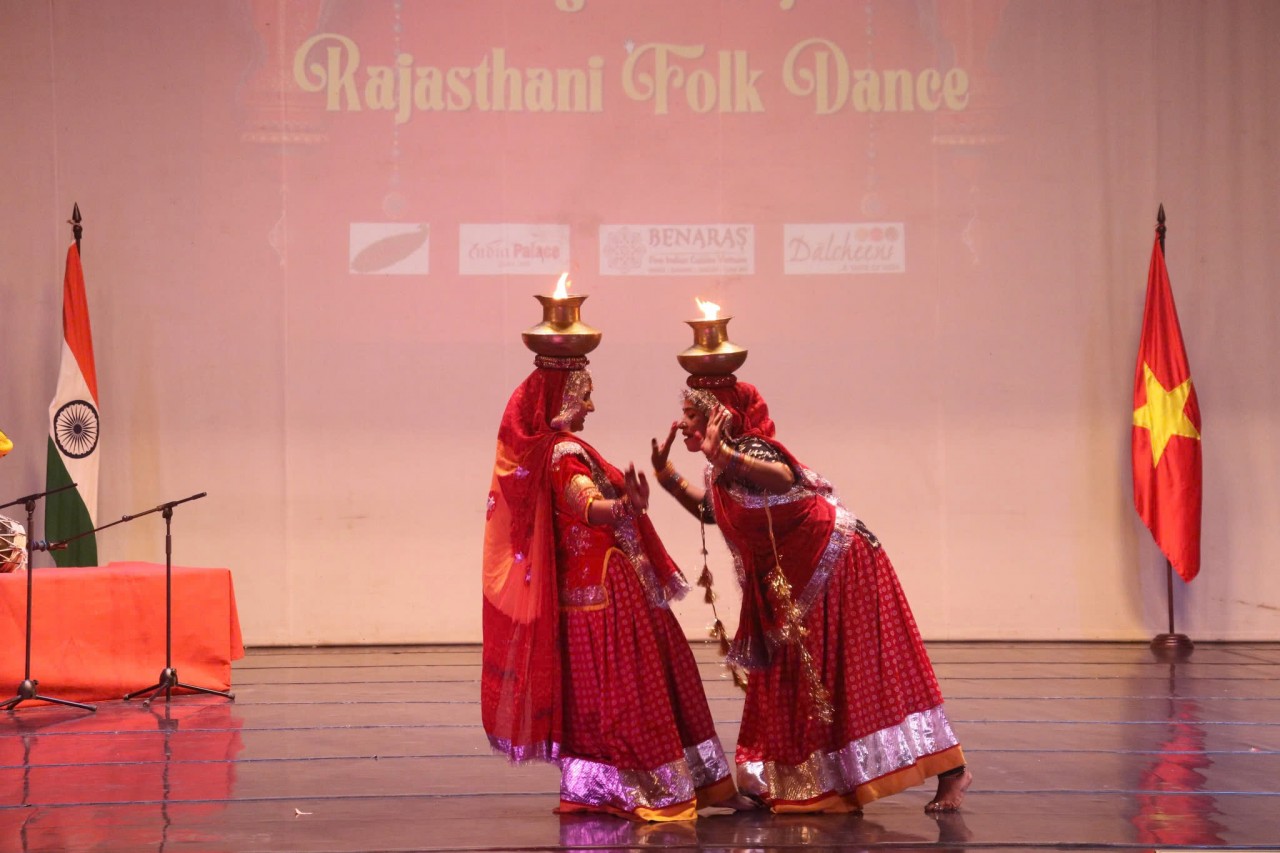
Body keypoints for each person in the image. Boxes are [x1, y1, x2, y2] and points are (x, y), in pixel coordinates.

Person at [651, 377, 971, 814]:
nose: (683, 424)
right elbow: (714, 510)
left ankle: (951, 770)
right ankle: (812, 780)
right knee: (796, 676)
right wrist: (666, 476)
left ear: (718, 417)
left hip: (838, 563)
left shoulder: (753, 452)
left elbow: (784, 479)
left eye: (692, 415)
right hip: (797, 575)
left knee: (853, 672)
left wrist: (723, 453)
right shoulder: (722, 463)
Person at [481, 352, 741, 821]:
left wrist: (629, 502)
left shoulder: (559, 452)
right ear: (561, 399)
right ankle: (648, 788)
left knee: (637, 687)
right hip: (604, 598)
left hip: (609, 591)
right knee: (627, 693)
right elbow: (588, 507)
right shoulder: (561, 455)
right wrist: (625, 506)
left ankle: (671, 785)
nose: (591, 407)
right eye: (585, 396)